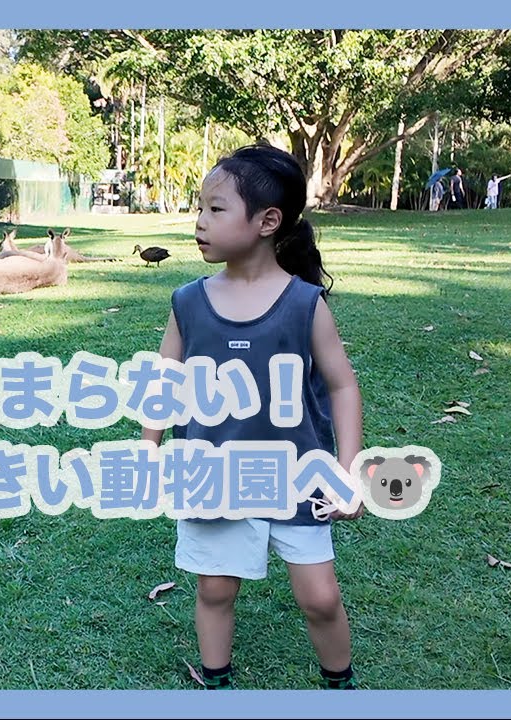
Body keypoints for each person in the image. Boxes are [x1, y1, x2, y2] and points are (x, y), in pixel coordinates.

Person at [143, 144, 365, 690]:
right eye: (200, 208)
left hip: (297, 477)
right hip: (215, 476)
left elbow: (343, 385)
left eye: (216, 209)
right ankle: (217, 684)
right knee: (215, 590)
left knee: (320, 598)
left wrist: (348, 472)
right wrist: (147, 448)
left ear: (268, 222)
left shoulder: (305, 303)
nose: (199, 222)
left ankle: (340, 686)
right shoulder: (187, 302)